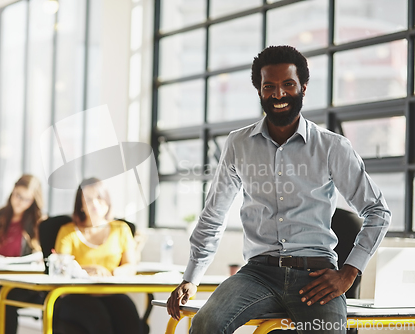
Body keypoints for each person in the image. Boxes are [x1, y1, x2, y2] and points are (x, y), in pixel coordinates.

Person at [166, 45, 391, 334]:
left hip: (316, 274)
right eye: (269, 86)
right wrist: (191, 277)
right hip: (257, 273)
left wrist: (349, 273)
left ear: (303, 88)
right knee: (206, 323)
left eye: (288, 84)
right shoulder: (239, 145)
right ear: (259, 91)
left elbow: (378, 211)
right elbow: (214, 215)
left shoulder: (331, 147)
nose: (278, 94)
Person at [53, 177, 142, 334]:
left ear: (107, 200)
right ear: (80, 205)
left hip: (110, 292)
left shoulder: (121, 229)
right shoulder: (68, 232)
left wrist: (117, 272)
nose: (94, 203)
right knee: (99, 319)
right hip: (75, 295)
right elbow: (61, 268)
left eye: (99, 198)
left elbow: (131, 265)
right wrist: (90, 269)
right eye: (88, 199)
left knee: (129, 315)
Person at [0, 174, 45, 334]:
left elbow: (42, 254)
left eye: (26, 199)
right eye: (17, 195)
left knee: (8, 298)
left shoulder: (37, 222)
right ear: (12, 192)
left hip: (22, 279)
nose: (19, 201)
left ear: (33, 201)